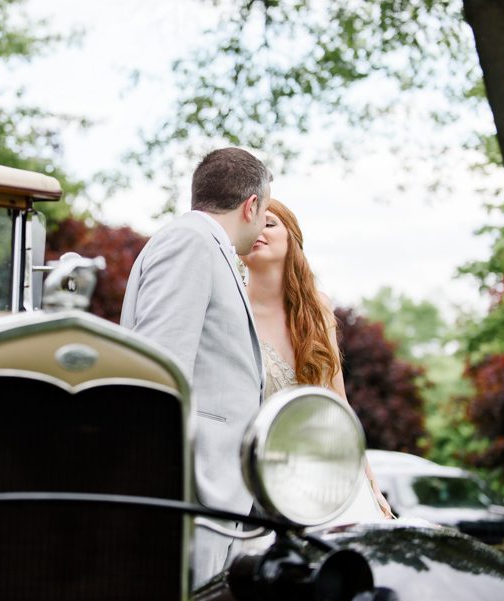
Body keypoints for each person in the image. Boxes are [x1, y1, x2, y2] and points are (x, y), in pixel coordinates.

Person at [120, 147, 272, 587]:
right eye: (264, 212)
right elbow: (160, 371)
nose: (263, 224)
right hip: (191, 489)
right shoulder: (190, 242)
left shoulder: (203, 244)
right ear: (251, 206)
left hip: (216, 492)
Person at [239, 198, 394, 522]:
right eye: (251, 225)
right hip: (266, 480)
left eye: (269, 224)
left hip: (329, 473)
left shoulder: (317, 308)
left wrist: (369, 480)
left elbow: (338, 401)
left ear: (292, 238)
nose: (258, 232)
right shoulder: (234, 309)